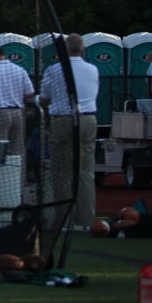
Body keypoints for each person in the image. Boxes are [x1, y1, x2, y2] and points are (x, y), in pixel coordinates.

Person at [39, 34, 99, 229]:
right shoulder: (92, 69)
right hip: (88, 119)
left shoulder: (54, 70)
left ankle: (64, 220)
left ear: (65, 50)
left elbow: (45, 97)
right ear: (82, 49)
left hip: (63, 119)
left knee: (62, 171)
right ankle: (86, 220)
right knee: (86, 172)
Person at [0, 46, 35, 158]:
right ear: (4, 56)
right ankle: (18, 174)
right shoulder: (20, 70)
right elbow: (30, 92)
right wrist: (18, 98)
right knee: (17, 152)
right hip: (18, 113)